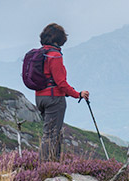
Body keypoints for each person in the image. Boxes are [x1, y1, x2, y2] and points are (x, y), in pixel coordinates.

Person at [35, 23, 89, 160]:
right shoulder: (55, 56)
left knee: (53, 132)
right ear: (58, 39)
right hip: (54, 99)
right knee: (51, 134)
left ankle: (53, 163)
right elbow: (61, 83)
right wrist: (78, 94)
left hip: (40, 97)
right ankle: (46, 167)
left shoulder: (41, 54)